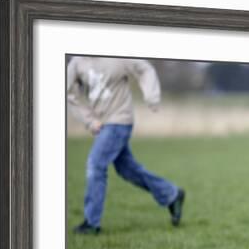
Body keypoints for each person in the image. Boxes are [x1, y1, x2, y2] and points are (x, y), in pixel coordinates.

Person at [67, 56, 185, 234]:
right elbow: (69, 94)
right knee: (127, 169)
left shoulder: (117, 56)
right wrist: (89, 121)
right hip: (101, 123)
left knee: (95, 164)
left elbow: (145, 69)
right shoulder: (76, 63)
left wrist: (152, 97)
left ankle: (91, 223)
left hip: (120, 120)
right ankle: (171, 194)